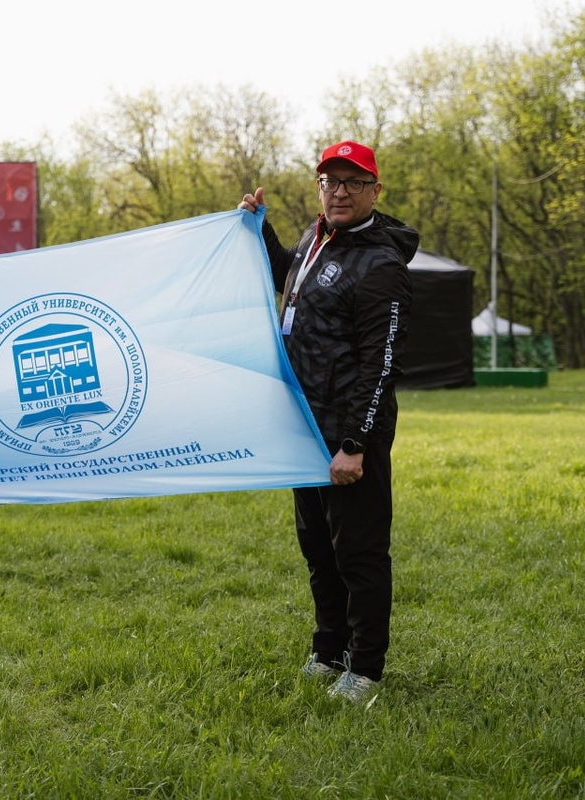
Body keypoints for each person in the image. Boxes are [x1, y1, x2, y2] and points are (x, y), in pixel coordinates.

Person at [238, 140, 417, 703]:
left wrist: (355, 443)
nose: (339, 192)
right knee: (318, 548)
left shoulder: (381, 263)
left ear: (374, 191)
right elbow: (290, 282)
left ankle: (365, 668)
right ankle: (328, 650)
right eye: (329, 182)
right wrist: (258, 231)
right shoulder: (317, 238)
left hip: (348, 433)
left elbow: (381, 363)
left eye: (352, 182)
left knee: (358, 553)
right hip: (304, 426)